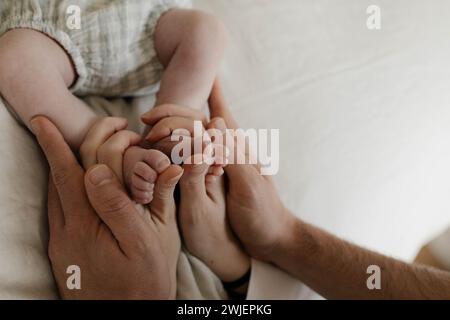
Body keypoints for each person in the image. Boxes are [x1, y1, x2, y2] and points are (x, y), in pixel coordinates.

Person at [0, 0, 226, 205]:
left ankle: (170, 128)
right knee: (13, 59)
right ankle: (109, 146)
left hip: (150, 22)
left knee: (206, 30)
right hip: (53, 27)